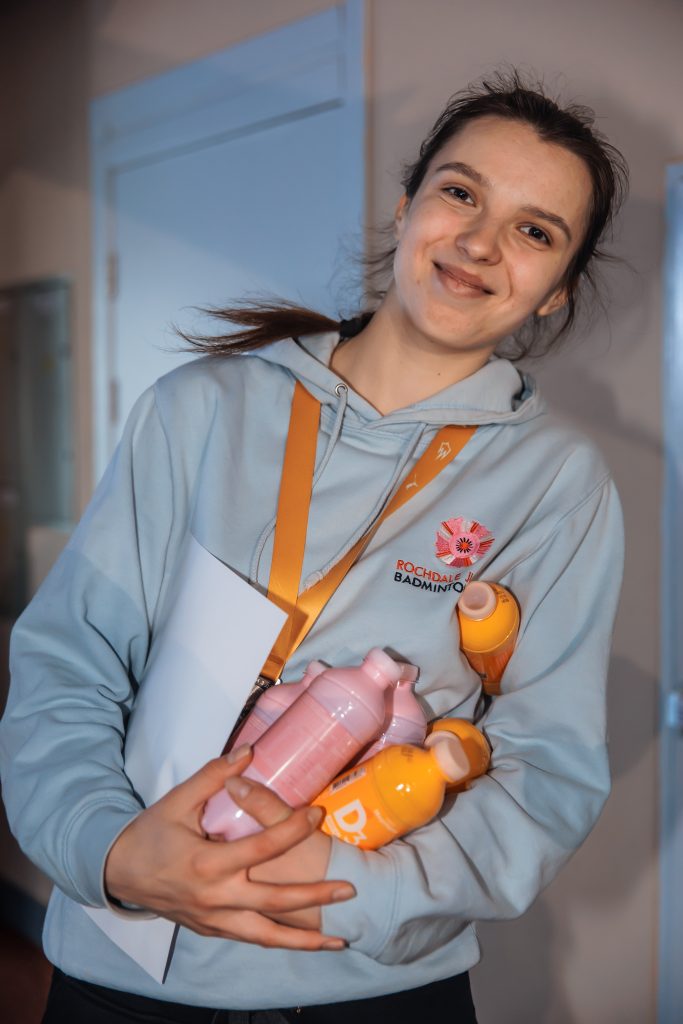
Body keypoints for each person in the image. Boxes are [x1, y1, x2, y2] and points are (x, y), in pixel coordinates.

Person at [0, 70, 628, 1023]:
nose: (479, 243)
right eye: (461, 192)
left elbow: (547, 765)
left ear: (557, 291)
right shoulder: (199, 409)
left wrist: (351, 889)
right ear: (405, 206)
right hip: (128, 970)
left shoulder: (556, 482)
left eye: (534, 231)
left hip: (364, 983)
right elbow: (68, 664)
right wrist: (111, 849)